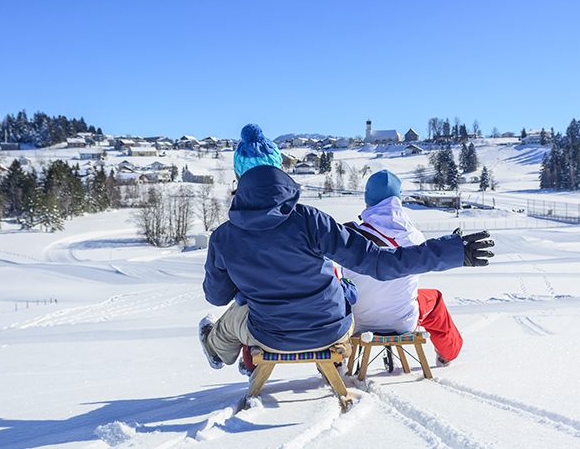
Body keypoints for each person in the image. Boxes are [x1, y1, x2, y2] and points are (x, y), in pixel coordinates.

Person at [200, 123, 494, 374]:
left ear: (238, 177)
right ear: (278, 168)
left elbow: (216, 296)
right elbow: (380, 263)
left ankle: (218, 350)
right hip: (331, 332)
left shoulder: (224, 238)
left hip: (272, 336)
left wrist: (246, 285)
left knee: (235, 313)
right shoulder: (312, 221)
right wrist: (454, 250)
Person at [341, 169, 464, 366]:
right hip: (403, 321)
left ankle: (335, 361)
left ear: (367, 200)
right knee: (434, 299)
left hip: (357, 322)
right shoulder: (414, 236)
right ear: (398, 199)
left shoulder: (349, 236)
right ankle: (448, 354)